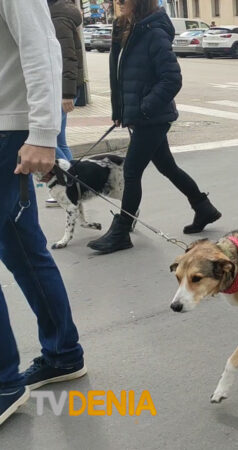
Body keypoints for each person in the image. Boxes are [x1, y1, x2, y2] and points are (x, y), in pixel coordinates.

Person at [1, 0, 86, 427]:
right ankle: (63, 353)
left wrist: (43, 133)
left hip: (8, 129)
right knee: (22, 249)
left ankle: (4, 383)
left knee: (23, 249)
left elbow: (42, 48)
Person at [88, 0, 221, 254]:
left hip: (153, 116)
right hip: (142, 115)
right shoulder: (123, 27)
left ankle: (121, 232)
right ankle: (203, 207)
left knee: (131, 171)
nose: (118, 2)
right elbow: (119, 75)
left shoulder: (153, 32)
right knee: (167, 167)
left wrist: (144, 107)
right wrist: (119, 110)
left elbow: (172, 78)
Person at [45, 0, 83, 208]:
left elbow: (68, 58)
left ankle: (69, 184)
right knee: (60, 141)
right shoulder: (60, 13)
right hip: (61, 88)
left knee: (49, 138)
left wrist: (67, 93)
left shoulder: (58, 18)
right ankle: (75, 184)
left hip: (61, 90)